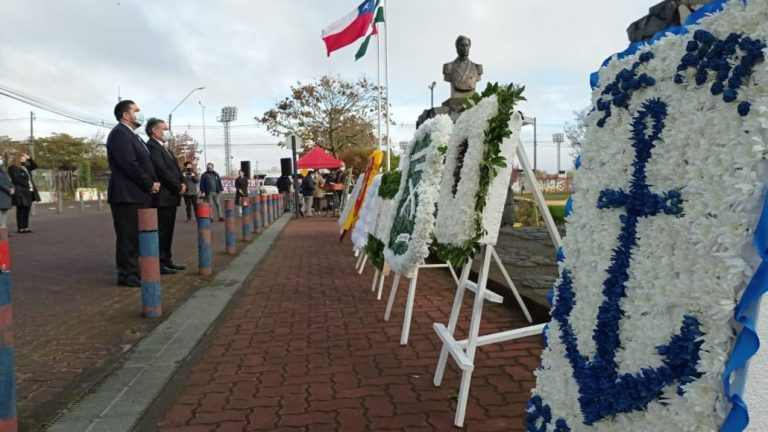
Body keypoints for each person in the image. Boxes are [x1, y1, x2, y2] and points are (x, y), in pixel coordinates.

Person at [106, 100, 160, 287]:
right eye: (136, 111)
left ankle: (135, 270)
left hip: (138, 194)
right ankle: (126, 274)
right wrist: (148, 183)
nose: (140, 113)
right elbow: (129, 164)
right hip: (126, 194)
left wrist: (153, 182)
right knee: (127, 236)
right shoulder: (119, 134)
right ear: (126, 115)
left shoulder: (134, 136)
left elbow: (144, 162)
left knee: (136, 236)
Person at [145, 118, 187, 275]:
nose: (168, 132)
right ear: (155, 131)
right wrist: (177, 187)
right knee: (162, 231)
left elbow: (176, 170)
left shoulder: (166, 148)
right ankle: (159, 262)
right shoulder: (152, 147)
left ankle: (167, 259)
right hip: (162, 197)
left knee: (168, 231)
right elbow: (162, 171)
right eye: (165, 129)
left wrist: (182, 182)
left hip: (171, 196)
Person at [8, 152, 40, 234]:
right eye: (23, 157)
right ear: (19, 158)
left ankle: (26, 227)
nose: (25, 158)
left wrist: (29, 158)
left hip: (29, 191)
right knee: (21, 209)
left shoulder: (26, 167)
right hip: (21, 191)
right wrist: (26, 184)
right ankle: (21, 228)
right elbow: (15, 179)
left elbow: (35, 166)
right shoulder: (13, 167)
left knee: (27, 209)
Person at [0, 155, 14, 230]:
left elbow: (8, 180)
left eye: (1, 159)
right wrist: (8, 189)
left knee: (4, 212)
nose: (0, 160)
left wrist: (12, 187)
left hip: (5, 194)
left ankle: (3, 231)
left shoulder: (2, 169)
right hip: (2, 193)